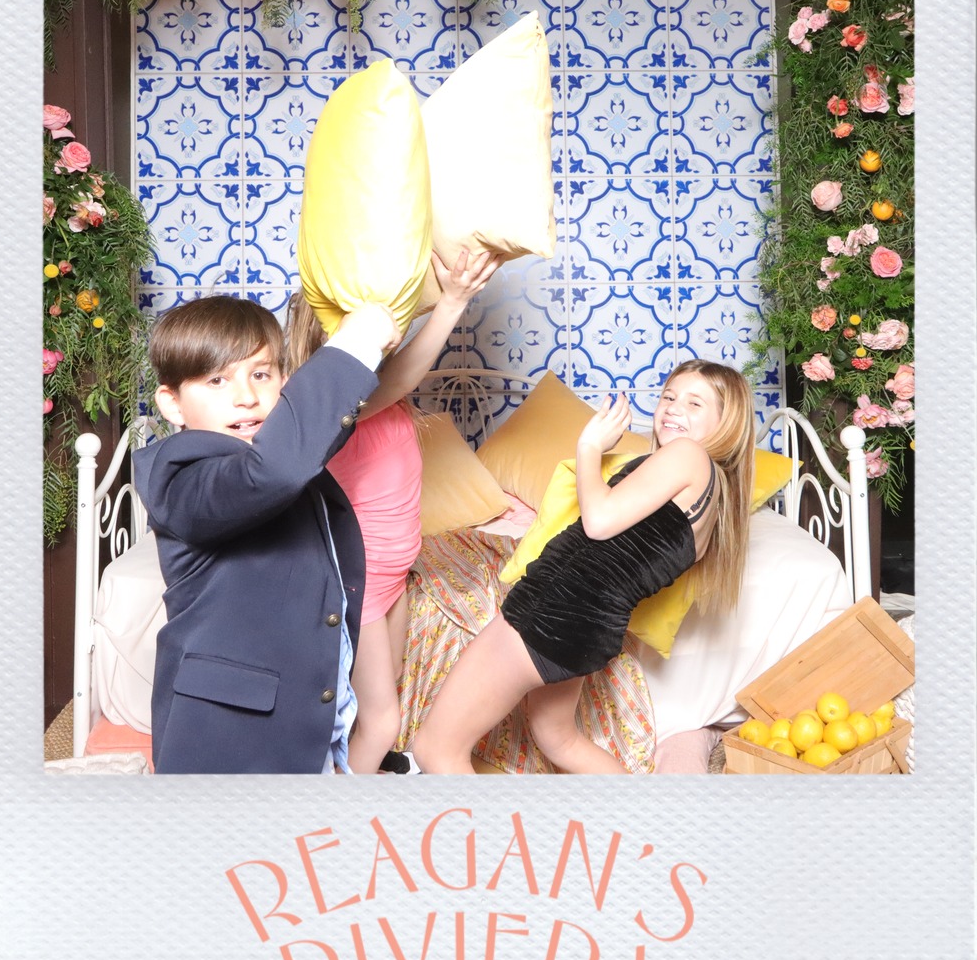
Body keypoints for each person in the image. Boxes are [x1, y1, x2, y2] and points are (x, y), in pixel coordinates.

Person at [411, 360, 757, 775]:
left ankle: (492, 824)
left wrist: (590, 447)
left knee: (435, 750)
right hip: (586, 629)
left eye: (694, 403)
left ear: (727, 423)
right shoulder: (711, 493)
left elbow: (598, 522)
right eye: (669, 396)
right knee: (558, 739)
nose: (673, 407)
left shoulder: (688, 456)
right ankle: (645, 815)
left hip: (549, 615)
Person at [139, 294, 401, 774]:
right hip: (225, 741)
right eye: (217, 380)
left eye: (261, 374)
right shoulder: (178, 477)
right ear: (172, 404)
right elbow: (273, 470)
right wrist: (356, 343)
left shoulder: (280, 455)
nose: (246, 396)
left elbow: (316, 435)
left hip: (303, 726)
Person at [286, 248, 501, 774]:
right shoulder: (338, 406)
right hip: (361, 579)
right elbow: (402, 377)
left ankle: (361, 762)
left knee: (384, 693)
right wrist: (452, 303)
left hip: (392, 574)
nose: (388, 340)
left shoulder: (381, 397)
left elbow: (400, 368)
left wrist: (438, 286)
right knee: (383, 720)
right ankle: (337, 811)